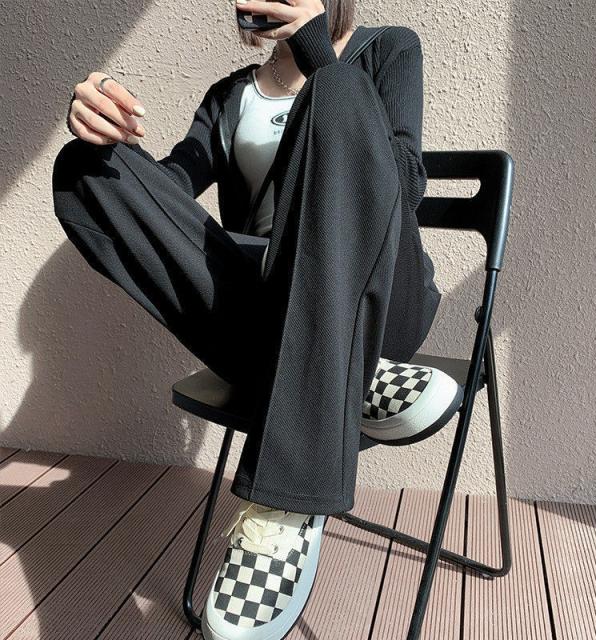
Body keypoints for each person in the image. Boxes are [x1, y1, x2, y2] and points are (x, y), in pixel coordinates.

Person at [51, 0, 463, 637]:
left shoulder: (387, 48)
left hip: (378, 293)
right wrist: (103, 126)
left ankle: (284, 502)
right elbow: (169, 193)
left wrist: (320, 54)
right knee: (82, 171)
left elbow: (405, 186)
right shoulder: (229, 95)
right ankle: (357, 380)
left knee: (336, 94)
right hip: (268, 316)